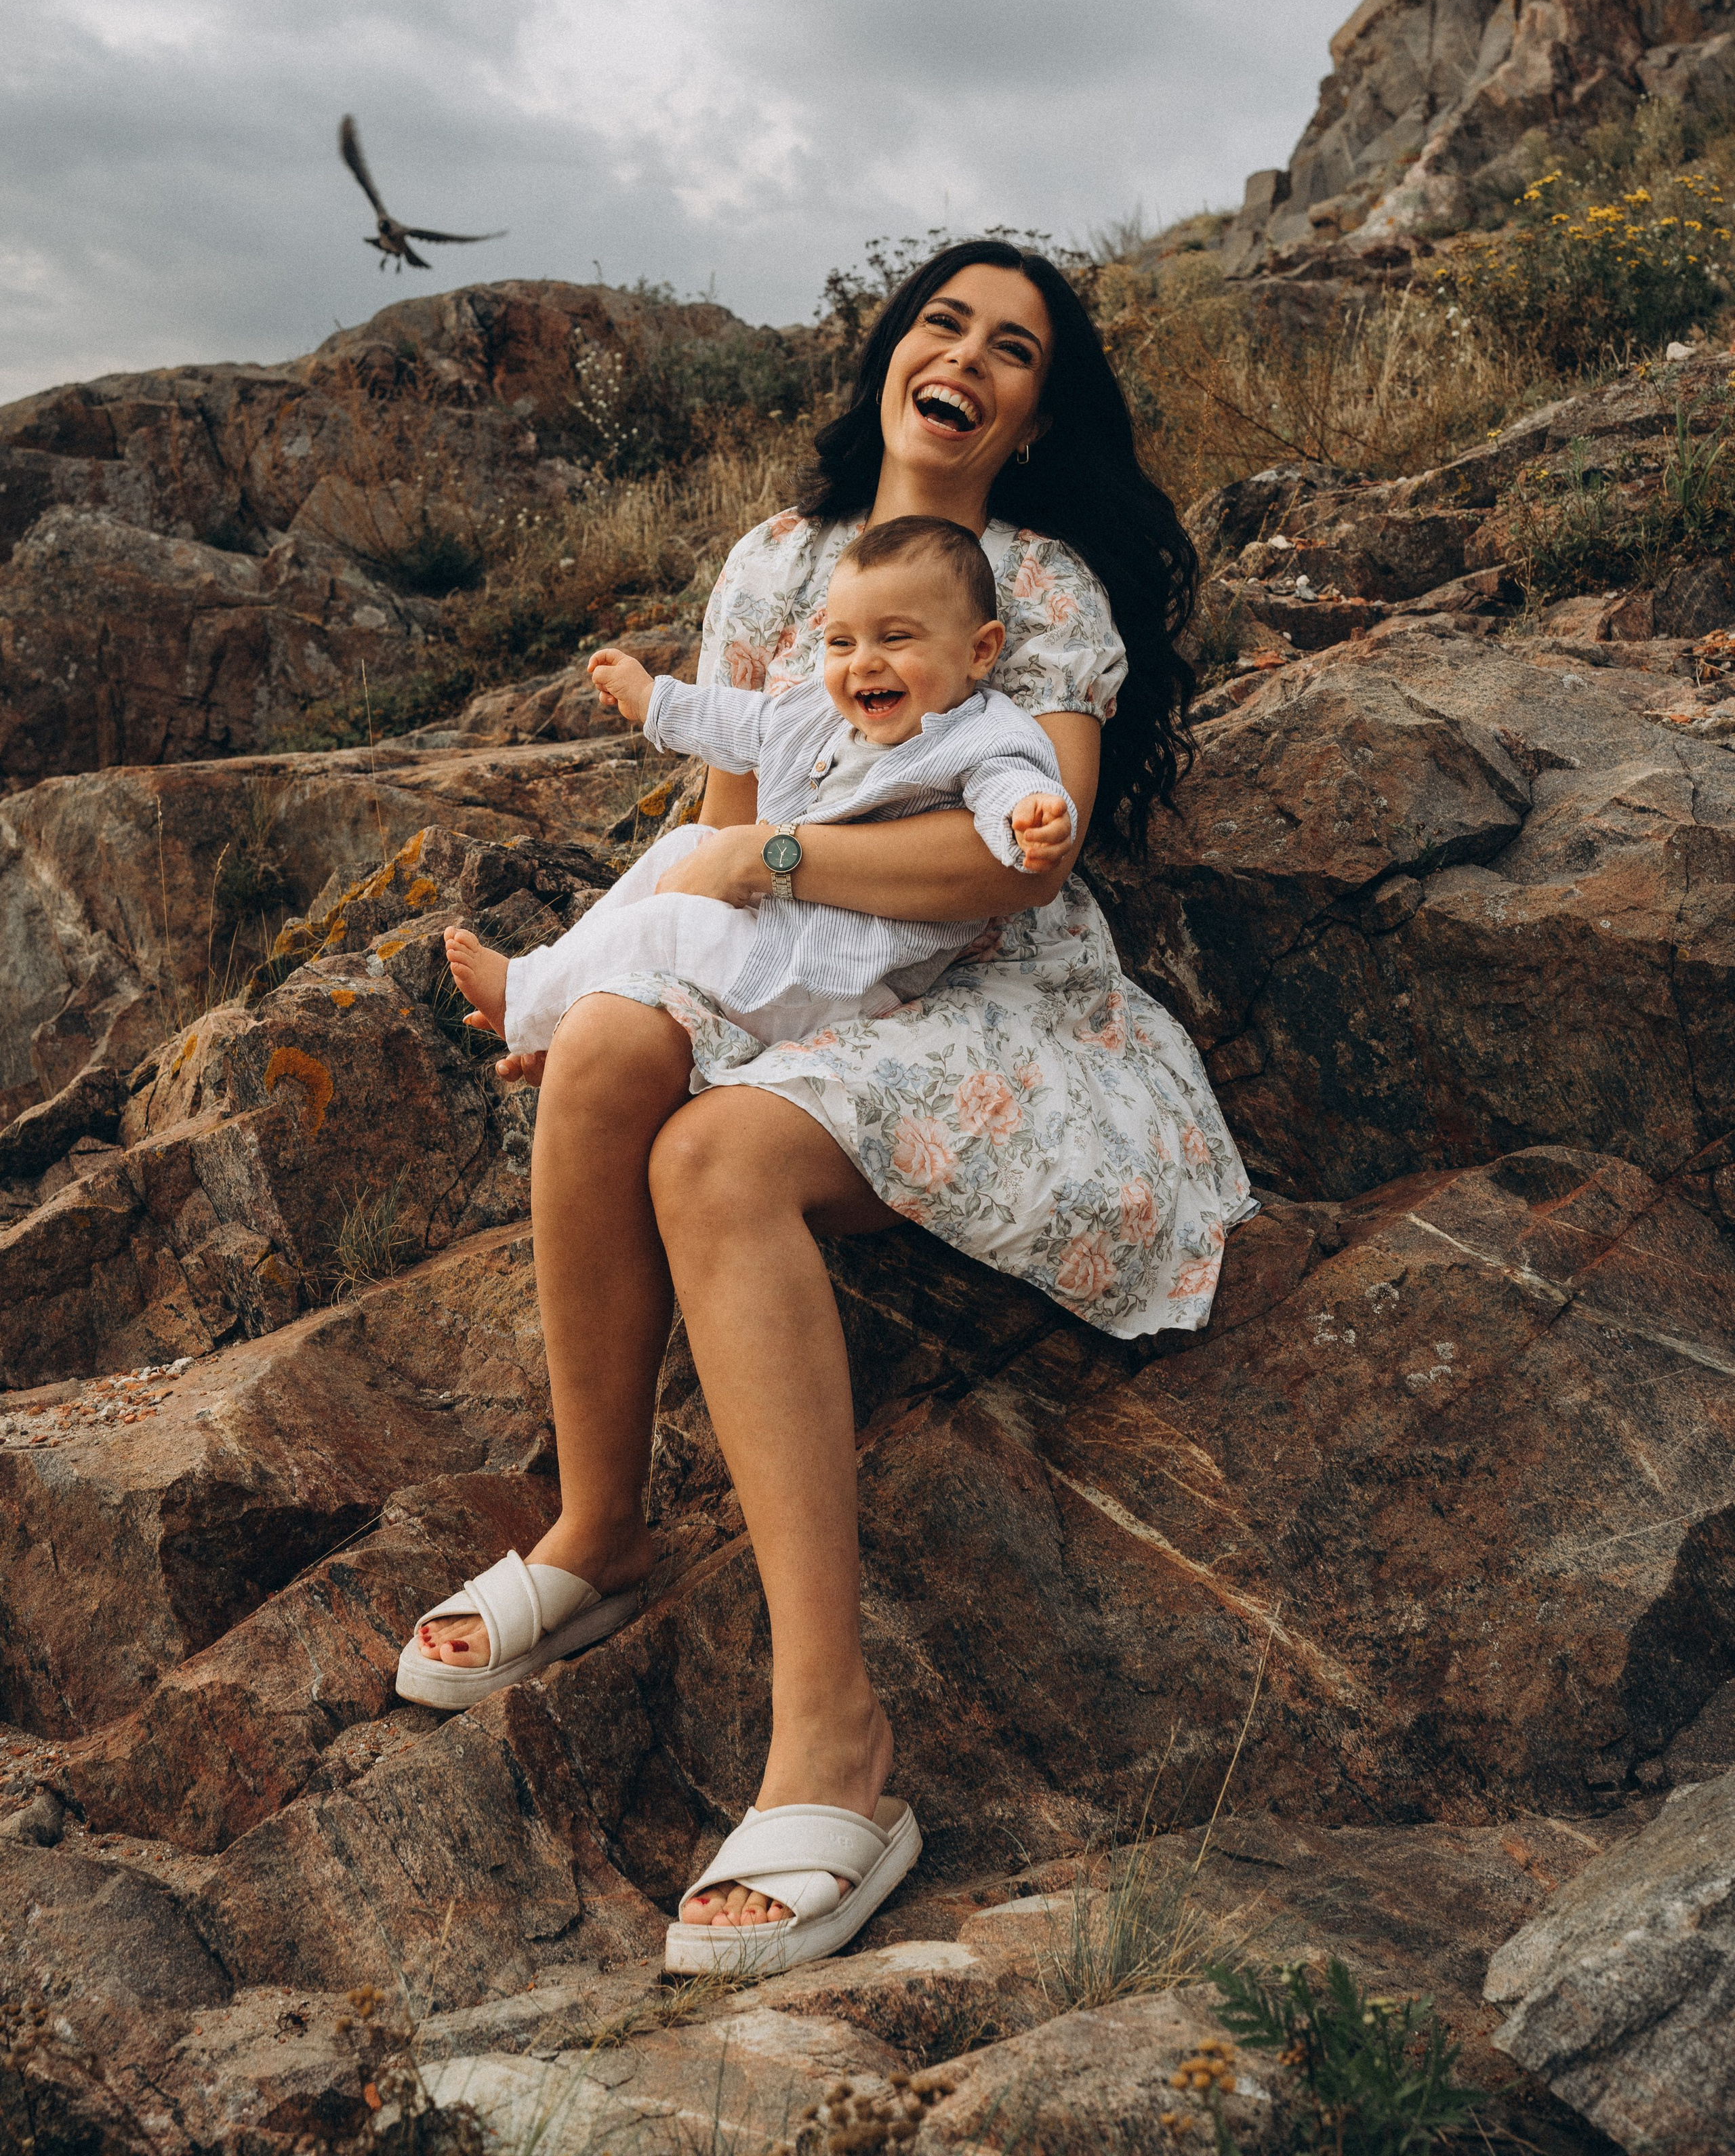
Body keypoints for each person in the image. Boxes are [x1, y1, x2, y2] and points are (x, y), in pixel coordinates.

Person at [396, 239, 1253, 1977]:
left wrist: (775, 858)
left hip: (983, 988)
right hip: (792, 958)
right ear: (888, 357)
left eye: (1013, 349)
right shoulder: (777, 563)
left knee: (712, 1157)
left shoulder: (1042, 584)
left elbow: (1012, 861)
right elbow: (714, 824)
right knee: (612, 1046)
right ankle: (596, 1531)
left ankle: (833, 1747)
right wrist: (622, 975)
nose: (969, 358)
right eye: (943, 323)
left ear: (1032, 416)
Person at [440, 514, 1077, 1061]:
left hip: (839, 974)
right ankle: (553, 1004)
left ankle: (525, 998)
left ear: (980, 651)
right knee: (684, 845)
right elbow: (746, 721)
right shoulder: (822, 714)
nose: (863, 662)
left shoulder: (984, 733)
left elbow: (1008, 780)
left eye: (896, 637)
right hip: (780, 928)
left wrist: (1028, 815)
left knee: (672, 925)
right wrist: (655, 700)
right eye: (841, 642)